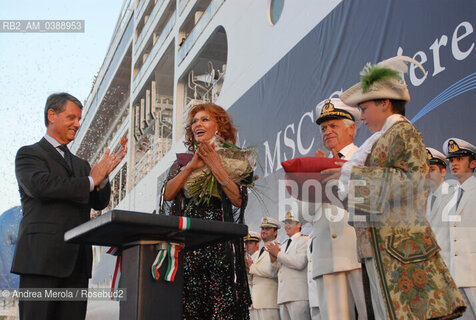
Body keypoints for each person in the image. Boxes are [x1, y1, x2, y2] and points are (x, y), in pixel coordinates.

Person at [324, 56, 466, 319]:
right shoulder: (382, 139)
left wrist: (352, 175)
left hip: (401, 253)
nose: (362, 116)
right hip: (383, 252)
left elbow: (412, 181)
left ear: (384, 103)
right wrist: (337, 191)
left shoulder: (402, 131)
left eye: (364, 109)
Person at [11, 92, 126, 320]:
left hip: (77, 264)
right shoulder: (29, 154)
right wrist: (91, 180)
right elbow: (42, 187)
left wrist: (102, 178)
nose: (77, 124)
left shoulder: (82, 165)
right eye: (72, 117)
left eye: (79, 119)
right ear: (52, 115)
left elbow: (99, 201)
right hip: (40, 261)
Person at [161, 103, 251, 319]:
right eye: (194, 121)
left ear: (219, 126)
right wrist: (191, 166)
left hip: (220, 251)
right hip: (189, 250)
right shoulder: (181, 162)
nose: (197, 124)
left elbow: (238, 199)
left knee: (222, 310)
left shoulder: (235, 158)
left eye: (204, 119)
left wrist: (215, 165)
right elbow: (167, 194)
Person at [312, 98, 367, 320]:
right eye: (324, 128)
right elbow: (303, 215)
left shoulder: (365, 158)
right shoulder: (315, 165)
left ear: (351, 128)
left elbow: (370, 200)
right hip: (326, 257)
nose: (327, 131)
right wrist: (311, 176)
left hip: (357, 252)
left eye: (334, 125)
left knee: (370, 314)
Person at [442, 138, 476, 320]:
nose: (454, 164)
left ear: (473, 163)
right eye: (452, 160)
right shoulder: (454, 195)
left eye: (460, 159)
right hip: (458, 276)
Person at [267, 211, 310, 320]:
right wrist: (273, 260)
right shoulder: (284, 244)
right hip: (283, 296)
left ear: (299, 224)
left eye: (290, 223)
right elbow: (273, 273)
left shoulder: (304, 240)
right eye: (285, 223)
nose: (286, 226)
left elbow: (299, 263)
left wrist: (277, 254)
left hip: (298, 295)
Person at [425, 147, 456, 269]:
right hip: (432, 265)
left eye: (432, 169)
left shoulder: (453, 194)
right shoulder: (426, 198)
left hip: (450, 264)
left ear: (443, 172)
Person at [246, 217, 281, 320]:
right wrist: (248, 271)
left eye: (267, 228)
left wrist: (251, 267)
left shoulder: (279, 248)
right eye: (262, 228)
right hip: (255, 302)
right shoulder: (258, 253)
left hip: (269, 303)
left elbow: (272, 272)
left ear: (275, 232)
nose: (263, 231)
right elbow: (252, 279)